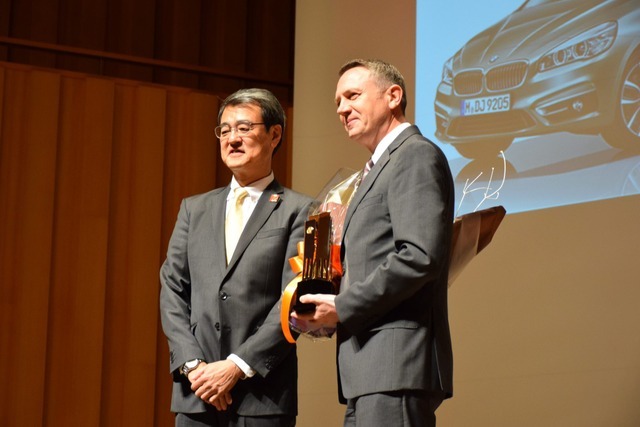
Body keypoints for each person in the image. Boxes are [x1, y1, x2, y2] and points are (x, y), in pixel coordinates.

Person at [292, 59, 454, 426]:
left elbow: (419, 256)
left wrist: (343, 305)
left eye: (353, 96)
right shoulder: (375, 171)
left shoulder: (413, 155)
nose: (342, 109)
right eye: (338, 102)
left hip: (396, 364)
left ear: (393, 96)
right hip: (368, 370)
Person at [160, 88, 312, 427]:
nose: (232, 139)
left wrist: (236, 366)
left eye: (244, 128)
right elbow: (172, 291)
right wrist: (193, 366)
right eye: (225, 130)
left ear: (274, 135)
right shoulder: (194, 209)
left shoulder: (300, 210)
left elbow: (295, 299)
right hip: (197, 393)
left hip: (263, 397)